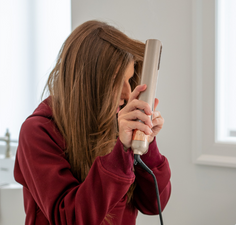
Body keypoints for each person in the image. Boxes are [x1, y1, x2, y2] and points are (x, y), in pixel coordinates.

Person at [14, 20, 171, 225]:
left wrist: (147, 145)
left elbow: (154, 205)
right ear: (90, 84)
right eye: (117, 82)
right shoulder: (37, 132)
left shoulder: (119, 121)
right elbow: (70, 219)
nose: (126, 94)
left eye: (129, 79)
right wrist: (119, 152)